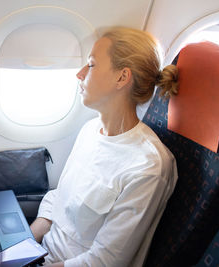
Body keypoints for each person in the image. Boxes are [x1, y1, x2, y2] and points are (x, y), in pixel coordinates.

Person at [30, 27, 179, 267]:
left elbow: (105, 261)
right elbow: (59, 199)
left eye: (90, 65)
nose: (79, 74)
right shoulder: (90, 130)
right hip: (40, 254)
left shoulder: (148, 167)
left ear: (122, 77)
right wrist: (22, 245)